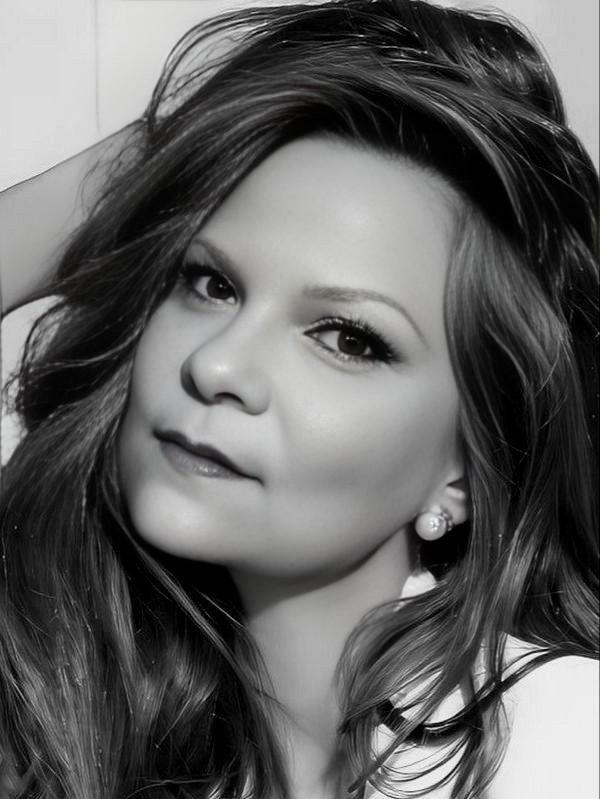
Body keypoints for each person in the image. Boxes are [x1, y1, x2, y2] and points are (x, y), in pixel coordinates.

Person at [0, 1, 598, 797]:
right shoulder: (105, 722)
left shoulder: (568, 743)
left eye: (347, 338)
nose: (217, 364)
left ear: (464, 467)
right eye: (211, 283)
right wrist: (153, 168)